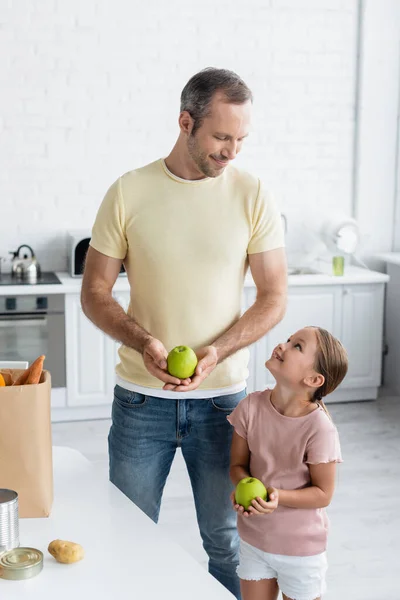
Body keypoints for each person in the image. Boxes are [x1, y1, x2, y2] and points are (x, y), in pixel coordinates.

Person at [81, 67, 287, 599]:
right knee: (127, 534)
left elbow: (273, 296)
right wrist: (142, 341)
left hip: (223, 407)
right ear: (185, 122)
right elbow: (96, 293)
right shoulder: (128, 191)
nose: (231, 152)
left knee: (226, 541)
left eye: (241, 139)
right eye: (221, 137)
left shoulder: (254, 194)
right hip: (139, 405)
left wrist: (217, 352)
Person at [228, 326, 348, 600]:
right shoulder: (249, 407)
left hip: (301, 551)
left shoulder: (320, 429)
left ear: (313, 379)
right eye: (288, 339)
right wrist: (241, 491)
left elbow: (323, 494)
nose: (282, 345)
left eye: (297, 346)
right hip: (254, 541)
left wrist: (276, 497)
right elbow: (237, 466)